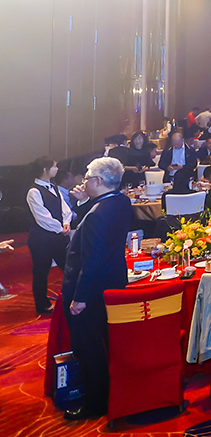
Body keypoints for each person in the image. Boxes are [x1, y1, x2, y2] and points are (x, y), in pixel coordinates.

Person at [60, 155, 135, 419]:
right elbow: (93, 225)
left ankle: (95, 403)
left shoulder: (97, 214)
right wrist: (84, 202)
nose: (84, 182)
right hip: (113, 282)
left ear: (99, 181)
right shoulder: (121, 201)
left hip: (90, 290)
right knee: (108, 341)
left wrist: (79, 297)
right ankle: (112, 393)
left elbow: (90, 260)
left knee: (88, 347)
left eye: (87, 178)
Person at [26, 160, 74, 317]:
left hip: (58, 235)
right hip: (41, 239)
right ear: (45, 169)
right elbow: (42, 217)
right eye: (54, 166)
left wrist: (66, 223)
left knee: (70, 266)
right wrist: (60, 228)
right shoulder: (34, 191)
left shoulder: (54, 187)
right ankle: (42, 305)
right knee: (41, 272)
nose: (57, 169)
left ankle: (73, 298)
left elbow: (64, 208)